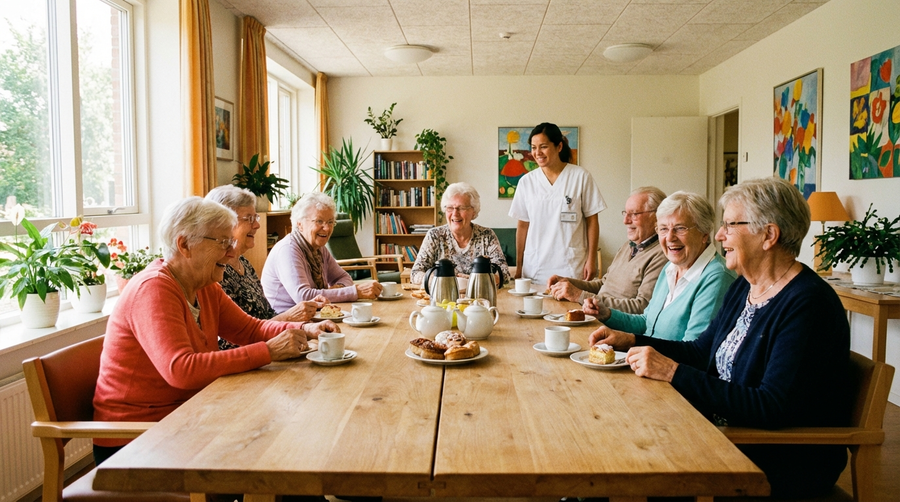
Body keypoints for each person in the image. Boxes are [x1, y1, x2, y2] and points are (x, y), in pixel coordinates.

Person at [590, 177, 851, 498]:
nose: (718, 234)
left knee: (623, 443)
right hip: (725, 429)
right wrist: (631, 341)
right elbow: (702, 352)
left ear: (769, 235)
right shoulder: (746, 286)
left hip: (775, 456)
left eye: (730, 224)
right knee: (607, 424)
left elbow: (771, 406)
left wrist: (672, 371)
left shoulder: (807, 304)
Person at [93, 197, 340, 465]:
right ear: (184, 244)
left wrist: (306, 327)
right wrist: (269, 351)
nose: (232, 252)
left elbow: (250, 329)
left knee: (289, 435)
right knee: (279, 446)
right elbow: (182, 370)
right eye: (222, 243)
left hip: (188, 416)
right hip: (137, 440)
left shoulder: (204, 285)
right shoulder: (153, 289)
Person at [583, 191, 736, 341]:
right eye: (663, 229)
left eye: (680, 228)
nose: (669, 237)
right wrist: (606, 314)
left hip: (669, 364)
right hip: (647, 359)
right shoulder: (670, 268)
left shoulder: (717, 277)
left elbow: (694, 351)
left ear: (704, 232)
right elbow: (646, 322)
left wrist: (632, 341)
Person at [509, 122, 606, 285]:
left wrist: (591, 260)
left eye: (543, 146)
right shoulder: (527, 182)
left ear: (559, 146)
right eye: (533, 147)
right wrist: (519, 266)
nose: (537, 152)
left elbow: (592, 221)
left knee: (569, 310)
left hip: (570, 266)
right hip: (535, 266)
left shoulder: (580, 177)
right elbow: (523, 226)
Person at [547, 187, 668, 314]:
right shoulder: (628, 246)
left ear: (657, 217)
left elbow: (641, 307)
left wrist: (580, 295)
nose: (625, 221)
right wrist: (567, 282)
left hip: (613, 325)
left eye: (634, 214)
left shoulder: (662, 254)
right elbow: (604, 284)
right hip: (594, 315)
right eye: (625, 213)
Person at [262, 192, 382, 310]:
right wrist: (355, 292)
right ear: (300, 225)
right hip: (285, 322)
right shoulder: (288, 250)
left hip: (314, 316)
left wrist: (336, 290)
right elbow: (303, 297)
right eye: (319, 221)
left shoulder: (318, 248)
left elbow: (344, 277)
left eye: (330, 222)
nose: (327, 228)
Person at [411, 182, 510, 286]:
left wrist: (474, 281)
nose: (455, 213)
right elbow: (415, 273)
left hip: (479, 299)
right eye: (450, 208)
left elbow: (504, 274)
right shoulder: (435, 235)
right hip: (443, 298)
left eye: (462, 208)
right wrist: (438, 281)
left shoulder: (486, 235)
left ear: (473, 211)